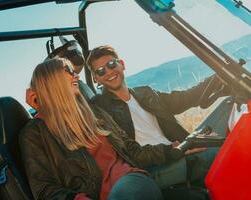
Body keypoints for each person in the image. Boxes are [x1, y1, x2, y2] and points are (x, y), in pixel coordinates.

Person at [20, 57, 188, 200]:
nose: (76, 75)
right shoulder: (35, 132)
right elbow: (44, 189)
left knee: (207, 156)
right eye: (69, 71)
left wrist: (170, 150)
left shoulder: (94, 112)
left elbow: (132, 150)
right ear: (51, 80)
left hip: (130, 179)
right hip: (96, 195)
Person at [86, 45, 228, 188]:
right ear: (96, 79)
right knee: (223, 153)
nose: (109, 72)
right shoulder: (99, 108)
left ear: (121, 64)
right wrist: (172, 150)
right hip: (156, 167)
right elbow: (131, 153)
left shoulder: (145, 93)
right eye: (100, 71)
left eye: (111, 64)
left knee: (230, 106)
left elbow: (185, 98)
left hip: (179, 149)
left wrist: (217, 78)